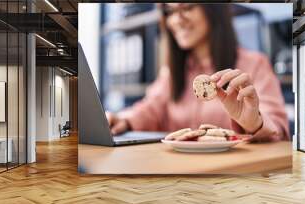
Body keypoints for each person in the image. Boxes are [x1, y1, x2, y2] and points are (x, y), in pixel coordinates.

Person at [106, 3, 289, 142]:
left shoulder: (254, 64)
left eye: (187, 7)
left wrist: (254, 123)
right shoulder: (172, 72)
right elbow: (151, 108)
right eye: (170, 12)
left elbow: (279, 128)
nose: (177, 20)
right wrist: (124, 120)